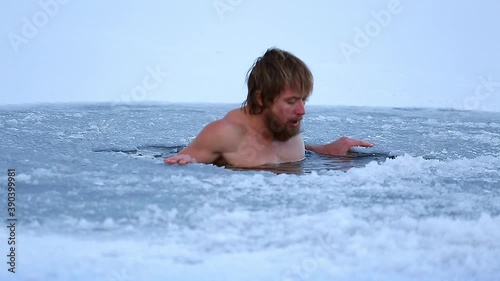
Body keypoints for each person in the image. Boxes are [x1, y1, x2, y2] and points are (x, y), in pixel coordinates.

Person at [164, 48, 374, 167]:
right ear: (261, 98)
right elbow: (176, 165)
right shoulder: (225, 134)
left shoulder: (286, 124)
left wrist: (325, 150)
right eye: (291, 101)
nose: (302, 111)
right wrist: (187, 165)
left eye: (304, 100)